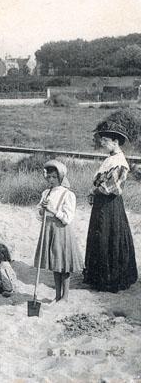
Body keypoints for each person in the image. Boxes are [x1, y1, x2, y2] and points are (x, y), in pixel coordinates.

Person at [84, 121, 138, 292]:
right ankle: (97, 276)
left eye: (105, 140)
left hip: (110, 204)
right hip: (102, 203)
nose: (102, 143)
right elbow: (100, 180)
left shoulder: (120, 162)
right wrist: (95, 189)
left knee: (110, 236)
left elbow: (113, 187)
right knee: (100, 235)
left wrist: (95, 190)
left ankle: (111, 278)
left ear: (115, 142)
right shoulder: (110, 159)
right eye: (102, 140)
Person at [33, 160, 83, 302]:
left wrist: (53, 210)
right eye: (49, 177)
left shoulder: (68, 194)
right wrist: (42, 210)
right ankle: (57, 295)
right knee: (55, 263)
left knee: (64, 264)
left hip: (61, 230)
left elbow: (67, 218)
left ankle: (65, 296)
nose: (51, 180)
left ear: (61, 178)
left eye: (54, 177)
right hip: (48, 229)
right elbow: (38, 214)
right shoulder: (46, 192)